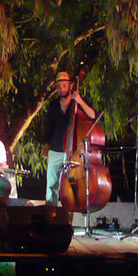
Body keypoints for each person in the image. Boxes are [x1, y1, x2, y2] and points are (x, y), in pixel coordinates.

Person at [43, 71, 96, 206]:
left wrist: (80, 102)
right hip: (56, 149)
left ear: (70, 86)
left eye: (65, 86)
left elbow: (93, 115)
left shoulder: (77, 102)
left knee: (72, 187)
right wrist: (46, 146)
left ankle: (68, 218)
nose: (62, 89)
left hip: (74, 153)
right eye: (59, 86)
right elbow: (48, 126)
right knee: (51, 186)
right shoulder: (53, 105)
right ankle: (50, 215)